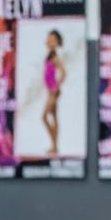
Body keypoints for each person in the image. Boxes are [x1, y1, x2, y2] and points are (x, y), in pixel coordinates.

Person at [42, 28, 67, 158]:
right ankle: (55, 147)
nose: (49, 41)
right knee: (53, 117)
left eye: (52, 39)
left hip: (53, 91)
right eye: (49, 38)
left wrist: (56, 86)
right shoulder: (50, 56)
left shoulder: (55, 57)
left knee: (45, 117)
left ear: (56, 42)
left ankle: (54, 145)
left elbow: (63, 72)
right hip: (50, 90)